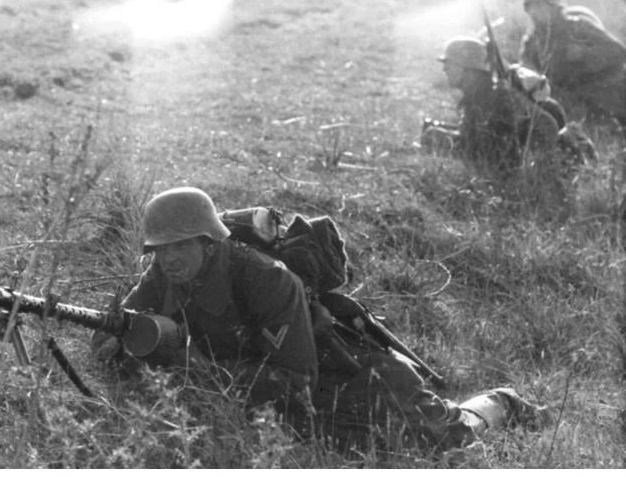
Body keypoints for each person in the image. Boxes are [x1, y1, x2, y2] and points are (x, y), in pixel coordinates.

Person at [92, 186, 550, 454]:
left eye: (179, 247)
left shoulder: (267, 279)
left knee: (441, 442)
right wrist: (112, 342)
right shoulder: (165, 272)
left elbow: (295, 381)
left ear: (209, 243)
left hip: (343, 374)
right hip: (252, 376)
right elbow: (126, 325)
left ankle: (502, 401)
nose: (167, 259)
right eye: (160, 249)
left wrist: (200, 373)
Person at [424, 35, 574, 218]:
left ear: (467, 69)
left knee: (433, 137)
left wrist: (440, 138)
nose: (445, 68)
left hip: (521, 184)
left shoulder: (489, 99)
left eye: (450, 63)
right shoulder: (482, 93)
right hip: (520, 171)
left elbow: (477, 148)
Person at [519, 0, 626, 123]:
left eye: (539, 6)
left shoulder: (578, 27)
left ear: (554, 6)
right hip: (566, 104)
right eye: (531, 7)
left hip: (603, 97)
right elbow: (526, 74)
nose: (535, 12)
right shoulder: (532, 43)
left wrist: (585, 54)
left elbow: (618, 52)